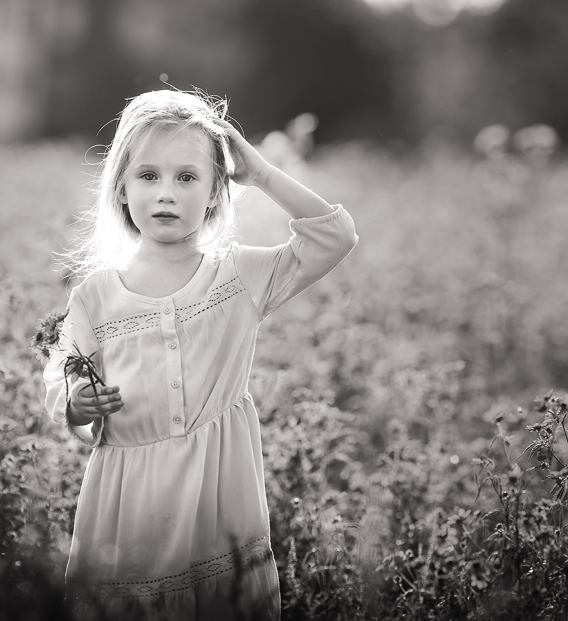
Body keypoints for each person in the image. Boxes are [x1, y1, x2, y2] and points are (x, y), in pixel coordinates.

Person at [43, 90, 357, 620]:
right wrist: (76, 401)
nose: (167, 193)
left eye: (187, 177)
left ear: (216, 192)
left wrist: (260, 174)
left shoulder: (238, 277)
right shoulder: (95, 295)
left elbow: (334, 236)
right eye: (148, 176)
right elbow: (60, 376)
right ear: (120, 187)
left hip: (220, 500)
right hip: (129, 507)